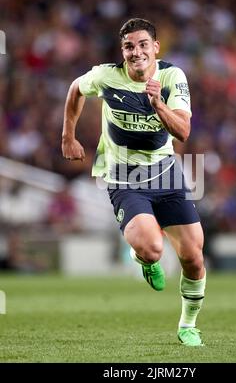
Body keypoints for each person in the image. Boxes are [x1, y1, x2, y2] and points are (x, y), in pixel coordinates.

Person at [62, 18, 206, 347]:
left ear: (156, 47)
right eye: (129, 46)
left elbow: (183, 131)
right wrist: (67, 135)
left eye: (143, 44)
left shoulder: (172, 77)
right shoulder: (105, 76)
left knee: (194, 256)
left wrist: (157, 104)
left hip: (166, 172)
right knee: (152, 248)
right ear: (122, 50)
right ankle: (144, 258)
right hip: (123, 175)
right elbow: (75, 89)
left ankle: (188, 324)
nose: (136, 51)